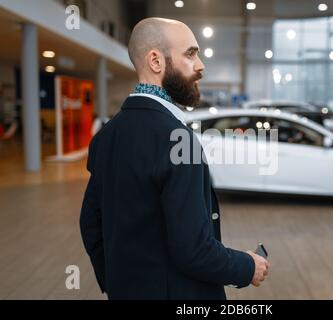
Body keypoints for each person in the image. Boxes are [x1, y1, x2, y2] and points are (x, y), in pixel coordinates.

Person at [80, 17, 270, 300]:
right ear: (156, 61)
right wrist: (247, 267)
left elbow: (90, 224)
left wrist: (119, 282)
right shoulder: (179, 141)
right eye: (191, 54)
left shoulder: (107, 135)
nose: (201, 65)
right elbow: (193, 251)